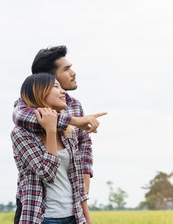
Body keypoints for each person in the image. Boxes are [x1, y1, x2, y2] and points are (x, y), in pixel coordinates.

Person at [13, 46, 106, 223]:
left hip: (71, 208)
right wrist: (75, 121)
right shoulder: (24, 107)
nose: (73, 72)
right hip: (35, 205)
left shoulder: (75, 105)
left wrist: (83, 193)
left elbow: (84, 149)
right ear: (47, 78)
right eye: (66, 69)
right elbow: (25, 117)